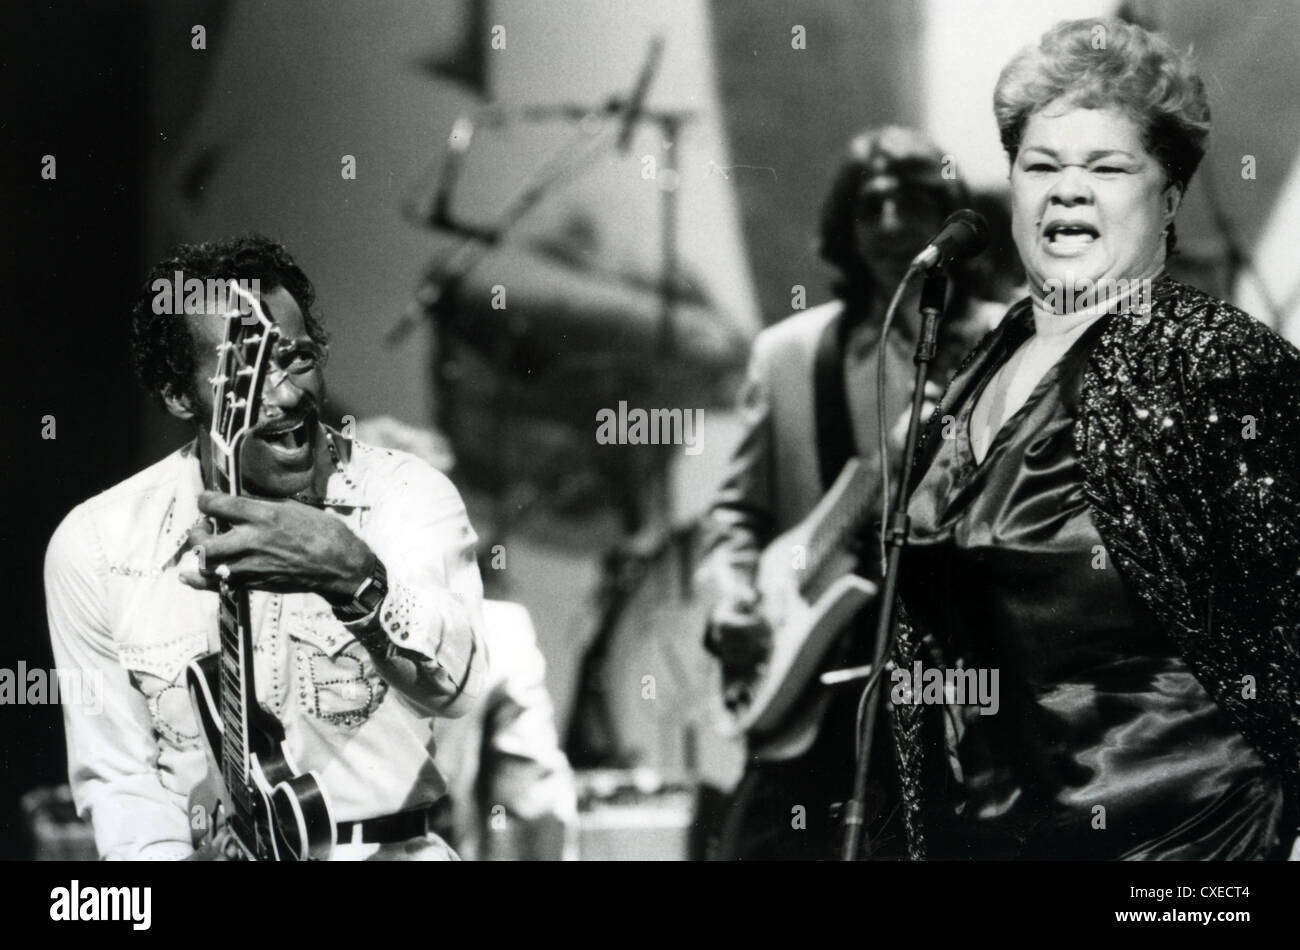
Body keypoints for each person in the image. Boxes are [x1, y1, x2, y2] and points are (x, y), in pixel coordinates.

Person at [891, 18, 1300, 860]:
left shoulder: (1218, 361)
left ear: (1171, 198)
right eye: (1041, 166)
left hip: (1186, 852)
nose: (1067, 191)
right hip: (993, 837)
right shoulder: (980, 361)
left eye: (1107, 168)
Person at [43, 234, 489, 860]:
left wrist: (353, 578)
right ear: (178, 395)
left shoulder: (406, 495)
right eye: (245, 373)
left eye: (298, 359)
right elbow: (120, 778)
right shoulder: (96, 544)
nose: (284, 394)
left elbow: (458, 688)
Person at [699, 127, 998, 860]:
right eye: (871, 206)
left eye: (915, 202)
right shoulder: (788, 354)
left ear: (951, 214)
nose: (892, 224)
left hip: (958, 699)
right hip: (808, 701)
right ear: (845, 225)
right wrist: (729, 595)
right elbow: (737, 512)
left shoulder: (1007, 345)